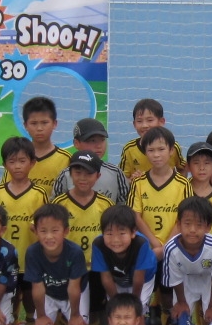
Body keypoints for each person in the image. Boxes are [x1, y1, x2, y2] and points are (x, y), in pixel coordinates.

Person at [24, 203, 89, 325]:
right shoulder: (33, 252)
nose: (49, 236)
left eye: (55, 231)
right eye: (43, 231)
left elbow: (74, 287)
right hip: (49, 292)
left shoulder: (74, 252)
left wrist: (75, 316)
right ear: (36, 231)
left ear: (66, 231)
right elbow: (37, 287)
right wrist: (40, 316)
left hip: (75, 292)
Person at [162, 197, 212, 325]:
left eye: (199, 225)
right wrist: (181, 302)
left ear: (208, 227)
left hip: (209, 280)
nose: (192, 230)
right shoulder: (170, 248)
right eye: (187, 224)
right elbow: (175, 279)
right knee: (181, 318)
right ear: (178, 224)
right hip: (185, 280)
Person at [89, 203, 157, 325]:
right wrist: (117, 302)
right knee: (116, 311)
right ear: (103, 233)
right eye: (109, 234)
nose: (115, 240)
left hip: (143, 279)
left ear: (133, 232)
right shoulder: (98, 244)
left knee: (137, 311)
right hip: (116, 278)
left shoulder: (141, 243)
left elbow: (139, 278)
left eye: (121, 233)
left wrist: (134, 302)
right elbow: (106, 277)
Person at [0, 136, 47, 270]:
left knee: (28, 291)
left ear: (32, 163)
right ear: (4, 165)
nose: (17, 166)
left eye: (22, 161)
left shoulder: (39, 194)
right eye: (12, 161)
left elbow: (44, 224)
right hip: (2, 259)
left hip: (30, 260)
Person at [129, 125, 189, 255]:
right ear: (145, 152)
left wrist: (166, 247)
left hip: (175, 247)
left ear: (171, 150)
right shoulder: (138, 183)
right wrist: (155, 243)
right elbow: (135, 216)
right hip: (147, 247)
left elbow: (185, 217)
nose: (156, 155)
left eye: (161, 149)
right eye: (151, 150)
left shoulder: (183, 184)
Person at [54, 152, 114, 280]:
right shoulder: (59, 204)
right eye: (78, 173)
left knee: (95, 299)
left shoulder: (106, 204)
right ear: (70, 174)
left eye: (88, 174)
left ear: (98, 176)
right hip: (67, 265)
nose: (83, 178)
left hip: (98, 266)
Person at [51, 119, 132, 205]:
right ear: (76, 143)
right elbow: (55, 209)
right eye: (92, 140)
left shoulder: (115, 173)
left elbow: (125, 208)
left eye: (102, 140)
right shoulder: (65, 175)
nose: (99, 145)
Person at [119, 99, 183, 179]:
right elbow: (121, 179)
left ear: (161, 121)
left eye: (150, 120)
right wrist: (132, 181)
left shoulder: (172, 146)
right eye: (139, 121)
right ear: (134, 124)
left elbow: (182, 168)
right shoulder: (129, 149)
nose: (144, 125)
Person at [21, 95, 70, 195]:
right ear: (25, 125)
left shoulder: (66, 159)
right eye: (34, 123)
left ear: (54, 124)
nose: (39, 128)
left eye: (44, 122)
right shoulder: (17, 156)